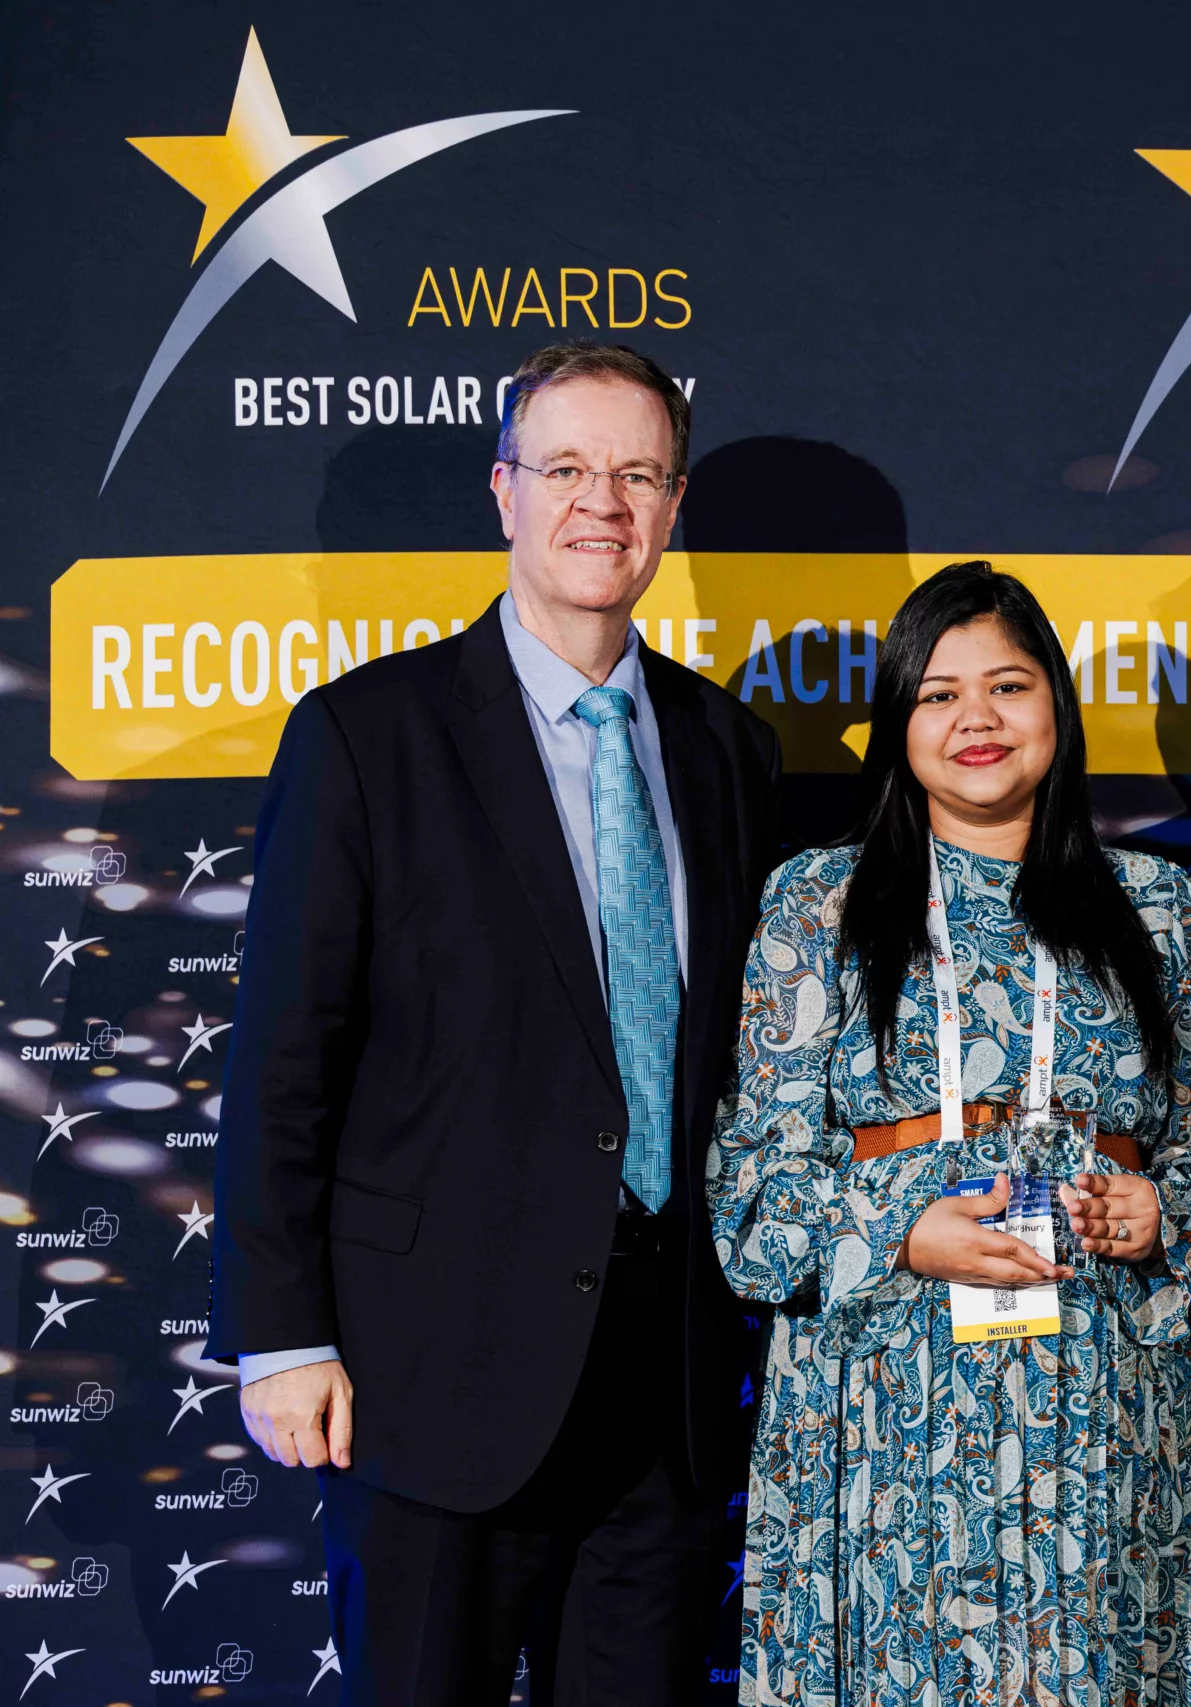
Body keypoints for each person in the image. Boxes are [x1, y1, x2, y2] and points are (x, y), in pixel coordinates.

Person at [209, 342, 781, 1706]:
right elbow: (284, 1058)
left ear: (675, 504)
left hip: (665, 1391)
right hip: (428, 1376)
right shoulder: (367, 734)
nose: (603, 503)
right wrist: (283, 1336)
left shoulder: (727, 747)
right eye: (566, 467)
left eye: (638, 473)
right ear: (503, 490)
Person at [711, 560, 1191, 1705]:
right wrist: (903, 1229)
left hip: (1095, 1396)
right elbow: (751, 1196)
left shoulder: (1159, 907)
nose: (976, 720)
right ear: (898, 724)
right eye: (938, 694)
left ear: (1057, 706)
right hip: (879, 1395)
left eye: (1007, 686)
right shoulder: (819, 901)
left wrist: (1163, 1209)